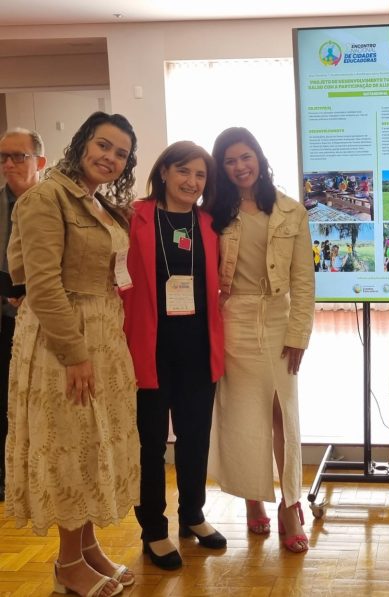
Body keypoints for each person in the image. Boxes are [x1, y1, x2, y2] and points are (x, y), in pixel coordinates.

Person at [5, 112, 140, 597]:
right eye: (103, 145)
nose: (110, 157)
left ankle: (87, 549)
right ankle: (66, 566)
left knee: (92, 444)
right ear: (82, 143)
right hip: (64, 341)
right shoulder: (46, 197)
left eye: (121, 153)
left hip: (102, 335)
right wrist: (75, 352)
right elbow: (42, 285)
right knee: (69, 446)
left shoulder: (96, 201)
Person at [208, 127, 315, 553]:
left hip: (277, 318)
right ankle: (255, 500)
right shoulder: (212, 214)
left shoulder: (291, 212)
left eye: (245, 157)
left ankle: (291, 504)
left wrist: (299, 333)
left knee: (280, 414)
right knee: (243, 414)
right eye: (230, 160)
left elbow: (304, 281)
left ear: (259, 158)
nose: (239, 167)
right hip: (232, 319)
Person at [121, 141, 226, 570]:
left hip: (198, 344)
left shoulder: (209, 222)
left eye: (200, 175)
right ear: (163, 172)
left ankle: (193, 515)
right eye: (183, 171)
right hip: (149, 344)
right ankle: (153, 530)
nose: (192, 182)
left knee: (195, 436)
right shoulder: (135, 216)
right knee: (149, 441)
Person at [0, 128, 46, 503]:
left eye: (19, 156)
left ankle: (42, 479)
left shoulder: (53, 204)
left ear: (40, 162)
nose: (9, 164)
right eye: (3, 157)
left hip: (44, 324)